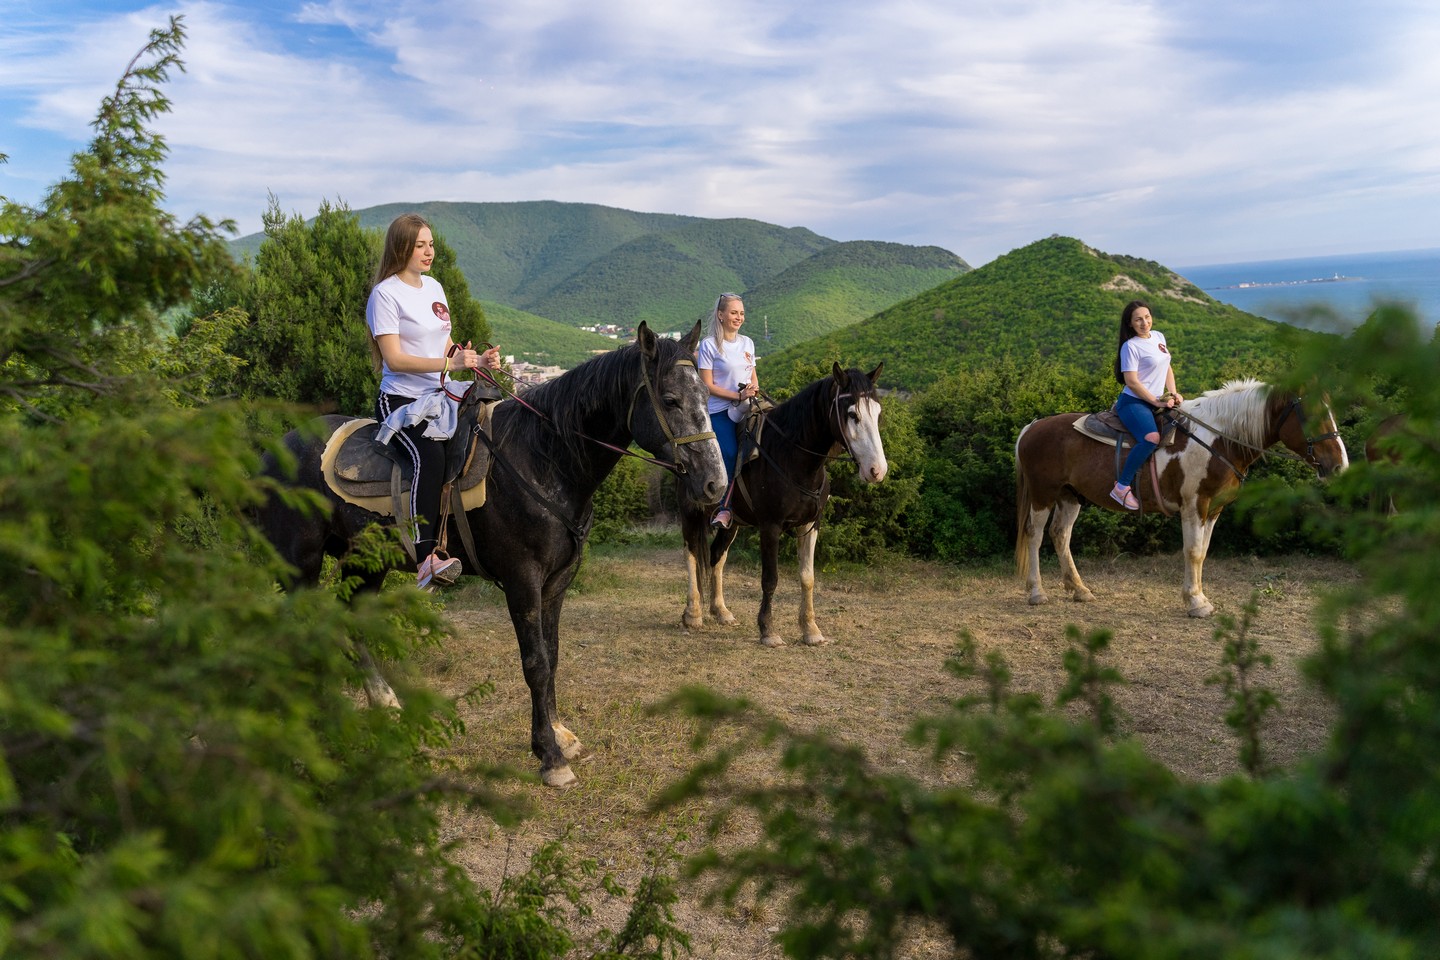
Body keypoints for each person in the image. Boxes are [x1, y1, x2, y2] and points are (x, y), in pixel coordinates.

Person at [366, 213, 501, 588]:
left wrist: (472, 359)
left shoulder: (435, 288)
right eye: (420, 245)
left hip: (439, 396)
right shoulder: (385, 294)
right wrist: (449, 362)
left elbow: (445, 343)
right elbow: (394, 358)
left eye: (431, 244)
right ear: (401, 248)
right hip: (401, 401)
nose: (430, 252)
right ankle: (426, 556)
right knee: (431, 455)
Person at [1110, 299, 1183, 510]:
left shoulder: (1159, 336)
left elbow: (1167, 366)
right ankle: (1122, 486)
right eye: (1138, 320)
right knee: (1151, 438)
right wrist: (1154, 400)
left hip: (1157, 399)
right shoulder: (1130, 346)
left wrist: (1174, 392)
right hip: (1134, 402)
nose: (1144, 323)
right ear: (1130, 324)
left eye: (1147, 317)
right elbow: (1131, 381)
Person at [696, 292, 758, 528]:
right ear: (720, 315)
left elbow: (753, 374)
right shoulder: (709, 345)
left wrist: (753, 390)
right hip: (720, 410)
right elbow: (707, 386)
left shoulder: (748, 342)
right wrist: (737, 396)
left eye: (741, 313)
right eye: (733, 312)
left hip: (747, 405)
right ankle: (724, 508)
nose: (739, 317)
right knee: (731, 453)